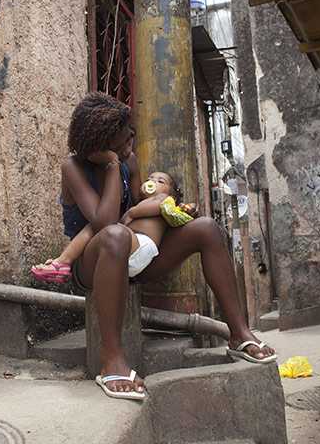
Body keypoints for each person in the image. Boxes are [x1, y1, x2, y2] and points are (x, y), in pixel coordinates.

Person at [52, 92, 276, 401]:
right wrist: (113, 166)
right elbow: (105, 223)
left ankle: (238, 333)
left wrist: (179, 210)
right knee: (115, 236)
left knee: (206, 228)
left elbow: (140, 208)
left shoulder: (128, 159)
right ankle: (112, 359)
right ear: (96, 148)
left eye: (130, 139)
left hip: (133, 254)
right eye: (118, 147)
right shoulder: (74, 168)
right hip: (94, 263)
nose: (129, 149)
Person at [31, 171, 191, 284]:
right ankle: (63, 263)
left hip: (141, 246)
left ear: (172, 197)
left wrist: (132, 213)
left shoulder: (163, 198)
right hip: (125, 253)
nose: (152, 182)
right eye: (149, 179)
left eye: (160, 181)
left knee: (98, 225)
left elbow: (160, 206)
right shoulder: (142, 201)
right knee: (99, 227)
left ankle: (63, 262)